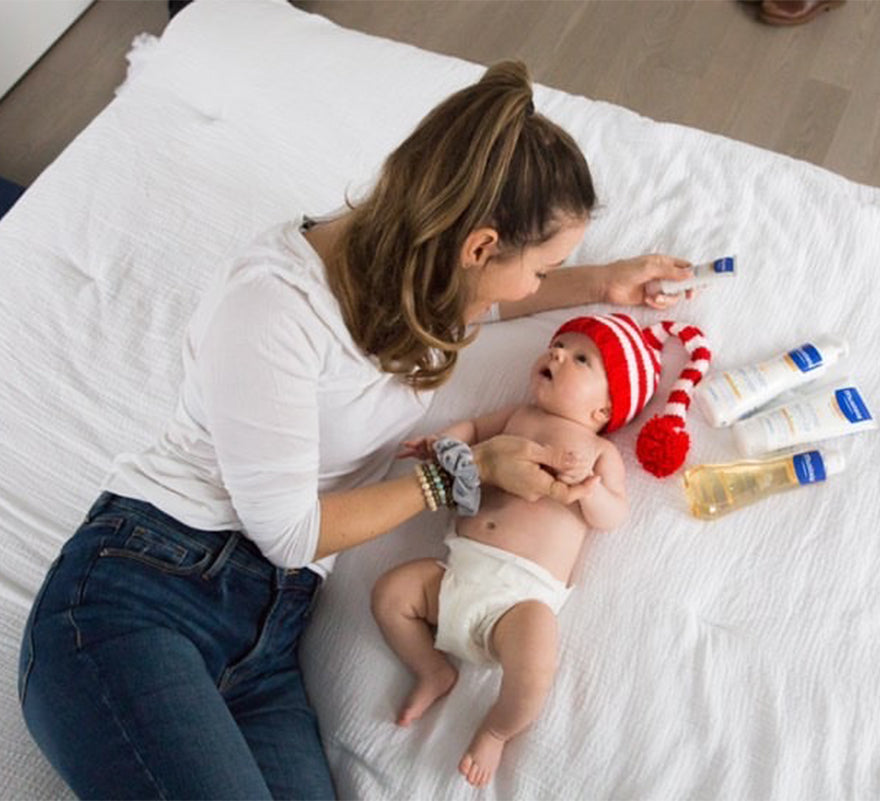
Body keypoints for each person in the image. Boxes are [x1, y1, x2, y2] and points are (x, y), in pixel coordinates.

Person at [18, 61, 697, 800]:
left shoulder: (423, 284)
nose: (538, 290)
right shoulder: (274, 310)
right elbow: (287, 531)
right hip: (144, 591)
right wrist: (460, 471)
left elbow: (492, 303)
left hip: (267, 638)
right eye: (542, 270)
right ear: (479, 247)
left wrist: (601, 284)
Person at [372, 312, 711, 788]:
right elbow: (470, 428)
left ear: (602, 411)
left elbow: (613, 516)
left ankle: (496, 728)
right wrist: (444, 445)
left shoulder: (600, 453)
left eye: (580, 358)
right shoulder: (516, 416)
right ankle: (431, 670)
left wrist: (590, 489)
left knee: (534, 667)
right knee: (390, 593)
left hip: (517, 601)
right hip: (455, 573)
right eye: (557, 345)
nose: (555, 354)